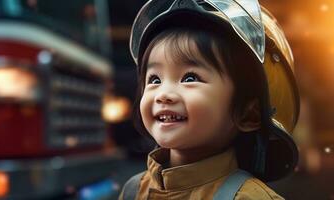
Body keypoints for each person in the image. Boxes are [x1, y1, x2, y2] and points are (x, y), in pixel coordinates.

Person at [119, 0, 300, 199]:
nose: (163, 94)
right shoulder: (133, 190)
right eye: (155, 79)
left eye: (190, 78)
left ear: (250, 114)